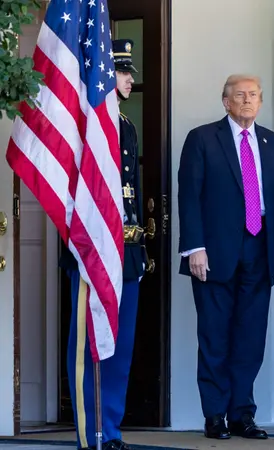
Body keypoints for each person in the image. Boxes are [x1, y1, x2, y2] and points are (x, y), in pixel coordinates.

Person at [177, 74, 274, 440]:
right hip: (213, 253)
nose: (247, 100)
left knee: (250, 337)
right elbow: (189, 195)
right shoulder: (202, 139)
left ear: (260, 102)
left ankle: (242, 414)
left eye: (253, 95)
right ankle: (215, 415)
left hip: (261, 249)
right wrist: (194, 247)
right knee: (214, 336)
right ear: (225, 102)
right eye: (239, 95)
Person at [59, 38, 146, 450]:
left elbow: (131, 192)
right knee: (88, 344)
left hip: (126, 252)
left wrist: (140, 250)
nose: (128, 79)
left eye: (127, 72)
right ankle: (89, 431)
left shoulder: (126, 126)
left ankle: (109, 429)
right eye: (122, 72)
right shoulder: (84, 124)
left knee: (120, 346)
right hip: (92, 251)